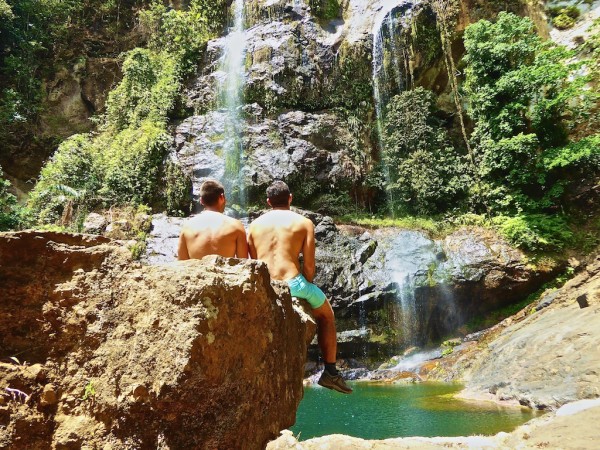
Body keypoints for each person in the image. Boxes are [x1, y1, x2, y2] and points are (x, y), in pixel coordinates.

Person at [247, 180, 352, 394]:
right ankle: (331, 372)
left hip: (265, 285)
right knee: (327, 315)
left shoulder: (254, 226)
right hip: (294, 284)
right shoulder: (304, 222)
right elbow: (310, 265)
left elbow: (250, 261)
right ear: (291, 198)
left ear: (268, 202)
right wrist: (307, 286)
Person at [178, 179, 248, 260]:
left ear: (201, 200)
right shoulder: (236, 226)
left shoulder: (187, 227)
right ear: (222, 197)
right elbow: (244, 264)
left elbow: (181, 264)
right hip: (225, 272)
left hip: (198, 272)